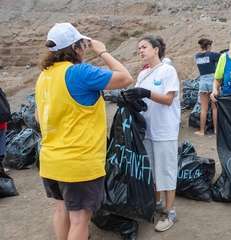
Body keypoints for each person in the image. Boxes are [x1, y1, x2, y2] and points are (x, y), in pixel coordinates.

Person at [35, 22, 133, 240]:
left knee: (61, 210)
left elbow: (38, 116)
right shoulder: (79, 73)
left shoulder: (45, 76)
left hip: (51, 159)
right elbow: (125, 78)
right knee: (79, 220)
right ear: (76, 47)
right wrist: (103, 51)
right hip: (78, 163)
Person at [124, 36, 180, 232]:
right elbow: (141, 103)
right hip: (147, 131)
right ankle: (156, 204)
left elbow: (167, 99)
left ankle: (170, 212)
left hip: (165, 130)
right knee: (153, 171)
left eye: (144, 47)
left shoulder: (168, 71)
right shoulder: (143, 75)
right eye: (138, 48)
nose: (140, 51)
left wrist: (145, 93)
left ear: (156, 49)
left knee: (166, 171)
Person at [194, 38, 220, 136]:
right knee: (214, 108)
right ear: (208, 46)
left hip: (203, 81)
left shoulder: (197, 56)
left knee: (203, 108)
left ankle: (201, 131)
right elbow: (222, 57)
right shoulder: (212, 54)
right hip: (212, 81)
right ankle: (216, 130)